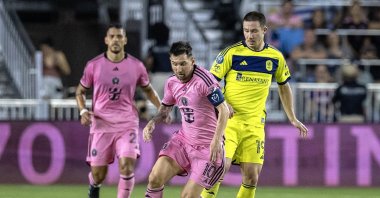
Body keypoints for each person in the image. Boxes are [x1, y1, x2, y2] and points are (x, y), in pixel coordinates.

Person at [201, 11, 308, 198]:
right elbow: (209, 83)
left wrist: (292, 117)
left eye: (254, 31)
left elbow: (284, 86)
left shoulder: (275, 57)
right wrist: (223, 102)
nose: (250, 35)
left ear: (264, 30)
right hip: (229, 123)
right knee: (220, 168)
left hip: (255, 125)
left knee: (251, 177)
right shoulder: (231, 53)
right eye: (246, 31)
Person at [75, 24, 161, 198]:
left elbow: (148, 90)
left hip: (126, 123)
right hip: (101, 124)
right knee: (99, 174)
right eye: (112, 36)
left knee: (127, 166)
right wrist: (83, 111)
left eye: (119, 37)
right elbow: (80, 92)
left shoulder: (136, 66)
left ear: (125, 40)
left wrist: (162, 108)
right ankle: (94, 185)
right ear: (106, 40)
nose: (116, 40)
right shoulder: (93, 65)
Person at [143, 41, 230, 198]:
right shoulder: (171, 83)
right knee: (154, 178)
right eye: (174, 64)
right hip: (183, 142)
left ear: (192, 61)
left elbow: (223, 110)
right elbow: (164, 110)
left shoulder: (205, 80)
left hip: (207, 149)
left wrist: (217, 140)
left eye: (183, 64)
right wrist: (152, 122)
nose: (178, 69)